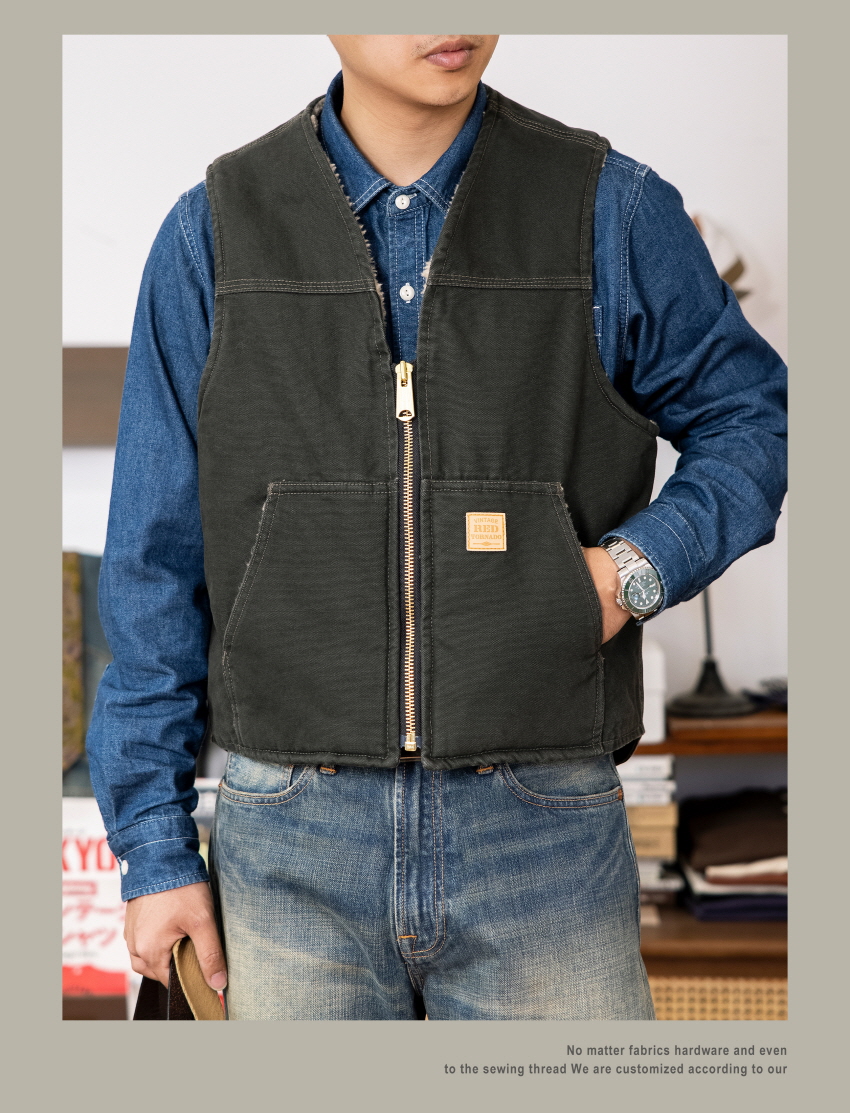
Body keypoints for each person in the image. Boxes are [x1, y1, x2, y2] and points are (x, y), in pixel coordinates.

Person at [87, 35, 787, 1020]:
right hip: (289, 844)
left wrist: (633, 570)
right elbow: (152, 564)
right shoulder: (214, 233)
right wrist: (155, 850)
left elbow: (753, 419)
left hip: (544, 830)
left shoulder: (611, 210)